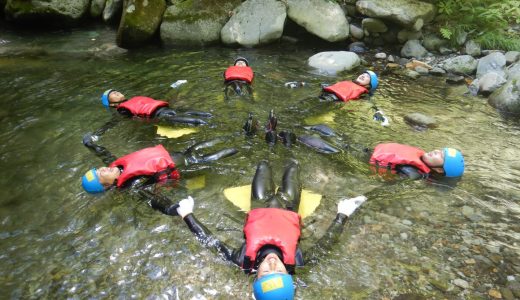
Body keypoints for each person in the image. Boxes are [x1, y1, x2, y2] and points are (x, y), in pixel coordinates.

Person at [173, 160, 367, 299]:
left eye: (266, 272)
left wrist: (187, 215)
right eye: (281, 272)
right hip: (288, 206)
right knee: (293, 165)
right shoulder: (298, 261)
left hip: (260, 205)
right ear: (288, 275)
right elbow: (327, 243)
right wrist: (343, 214)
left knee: (263, 165)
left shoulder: (241, 260)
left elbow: (210, 242)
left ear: (256, 277)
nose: (273, 264)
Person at [81, 133, 238, 199]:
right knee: (221, 154)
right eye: (100, 175)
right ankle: (240, 146)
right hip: (188, 164)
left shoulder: (117, 167)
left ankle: (236, 135)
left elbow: (105, 154)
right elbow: (152, 198)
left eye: (98, 169)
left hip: (181, 153)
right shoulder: (133, 184)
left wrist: (90, 145)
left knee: (212, 141)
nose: (102, 169)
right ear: (108, 186)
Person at [100, 89, 211, 125]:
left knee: (206, 114)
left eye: (116, 91)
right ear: (111, 104)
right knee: (198, 121)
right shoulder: (122, 109)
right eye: (112, 94)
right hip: (161, 115)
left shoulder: (134, 99)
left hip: (167, 109)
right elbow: (135, 119)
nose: (116, 92)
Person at [319, 70, 388, 125]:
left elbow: (371, 104)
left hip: (335, 101)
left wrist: (378, 113)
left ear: (369, 85)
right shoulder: (348, 82)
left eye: (368, 76)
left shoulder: (363, 93)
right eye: (363, 74)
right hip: (325, 95)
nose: (363, 75)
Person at [369, 143, 465, 179]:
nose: (436, 151)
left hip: (371, 158)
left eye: (441, 156)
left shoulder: (414, 172)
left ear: (439, 170)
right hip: (372, 151)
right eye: (440, 151)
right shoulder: (419, 156)